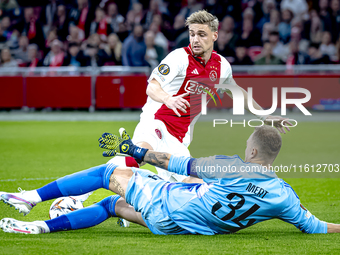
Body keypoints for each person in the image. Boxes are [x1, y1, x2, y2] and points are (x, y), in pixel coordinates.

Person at [1, 126, 339, 235]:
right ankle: (41, 228)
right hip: (181, 227)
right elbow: (318, 227)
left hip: (168, 207)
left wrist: (133, 150)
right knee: (111, 206)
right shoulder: (284, 197)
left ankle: (30, 198)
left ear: (252, 150)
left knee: (108, 174)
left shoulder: (231, 166)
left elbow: (174, 161)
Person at [114, 10, 291, 184]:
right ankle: (86, 190)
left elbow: (236, 92)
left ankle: (133, 206)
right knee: (139, 156)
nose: (195, 39)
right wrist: (168, 99)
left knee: (194, 185)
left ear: (215, 35)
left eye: (201, 34)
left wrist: (265, 116)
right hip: (156, 121)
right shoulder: (178, 58)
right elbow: (152, 87)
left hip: (179, 137)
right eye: (192, 34)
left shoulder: (222, 66)